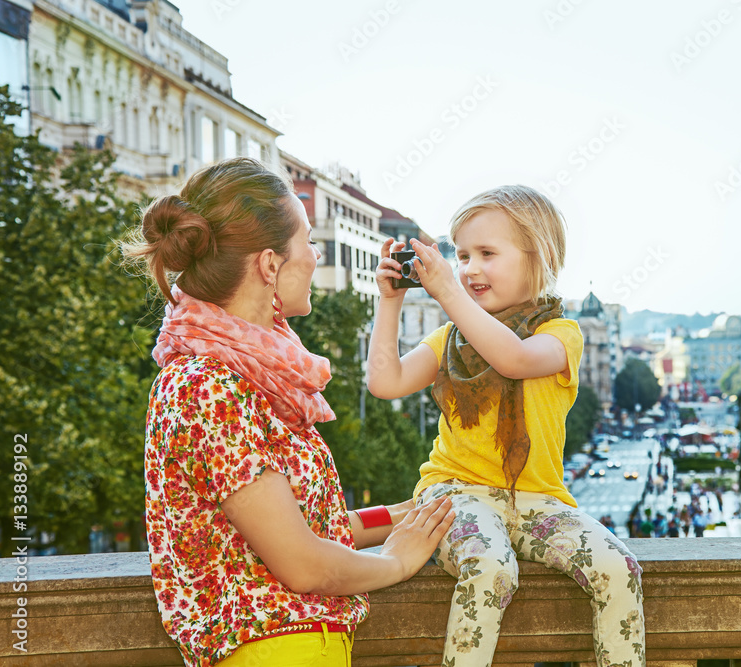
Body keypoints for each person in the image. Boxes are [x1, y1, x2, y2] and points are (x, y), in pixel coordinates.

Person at [120, 158, 455, 666]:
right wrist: (396, 559)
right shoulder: (207, 386)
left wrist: (403, 517)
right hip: (276, 651)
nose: (317, 256)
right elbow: (301, 563)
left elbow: (291, 527)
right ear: (270, 264)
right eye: (307, 242)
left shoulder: (247, 373)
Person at [367, 185, 645, 665]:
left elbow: (514, 359)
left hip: (538, 500)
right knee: (490, 567)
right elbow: (386, 383)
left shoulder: (562, 334)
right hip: (455, 494)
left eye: (487, 253)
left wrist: (448, 292)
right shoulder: (449, 337)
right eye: (461, 255)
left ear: (538, 258)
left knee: (620, 568)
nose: (469, 268)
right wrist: (388, 303)